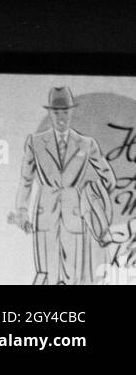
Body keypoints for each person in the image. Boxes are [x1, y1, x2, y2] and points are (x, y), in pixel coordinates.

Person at [11, 85, 116, 285]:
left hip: (75, 218)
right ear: (50, 113)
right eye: (56, 112)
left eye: (65, 112)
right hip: (45, 217)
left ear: (72, 112)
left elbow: (109, 179)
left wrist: (92, 196)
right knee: (46, 275)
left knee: (74, 279)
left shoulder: (87, 144)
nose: (60, 118)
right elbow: (26, 180)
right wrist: (22, 209)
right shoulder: (35, 142)